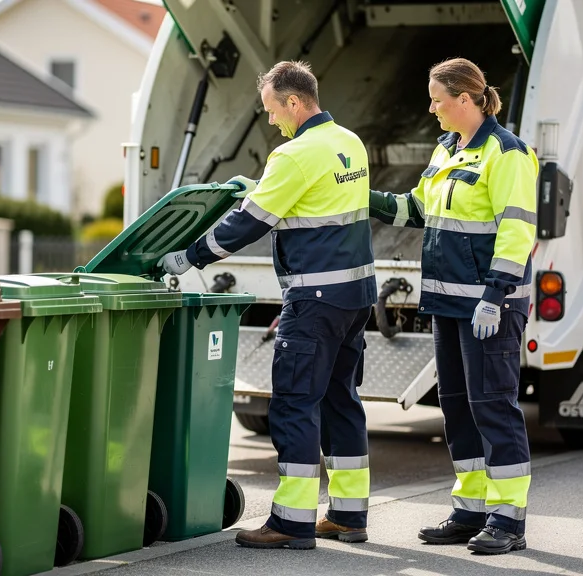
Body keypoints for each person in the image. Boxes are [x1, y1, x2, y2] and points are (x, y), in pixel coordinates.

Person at [158, 60, 376, 550]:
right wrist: (262, 188)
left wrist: (191, 256)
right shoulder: (349, 142)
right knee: (342, 401)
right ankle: (348, 515)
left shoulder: (292, 155)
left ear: (294, 102)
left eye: (273, 109)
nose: (271, 119)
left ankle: (291, 523)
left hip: (314, 301)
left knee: (295, 404)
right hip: (356, 297)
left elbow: (249, 223)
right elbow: (315, 199)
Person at [368, 57, 538, 555]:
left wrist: (495, 296)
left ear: (465, 99)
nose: (431, 108)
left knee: (494, 408)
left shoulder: (507, 153)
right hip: (447, 304)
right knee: (458, 409)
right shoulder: (447, 148)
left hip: (489, 307)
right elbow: (417, 209)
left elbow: (517, 231)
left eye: (437, 99)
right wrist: (363, 196)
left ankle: (508, 520)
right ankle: (470, 510)